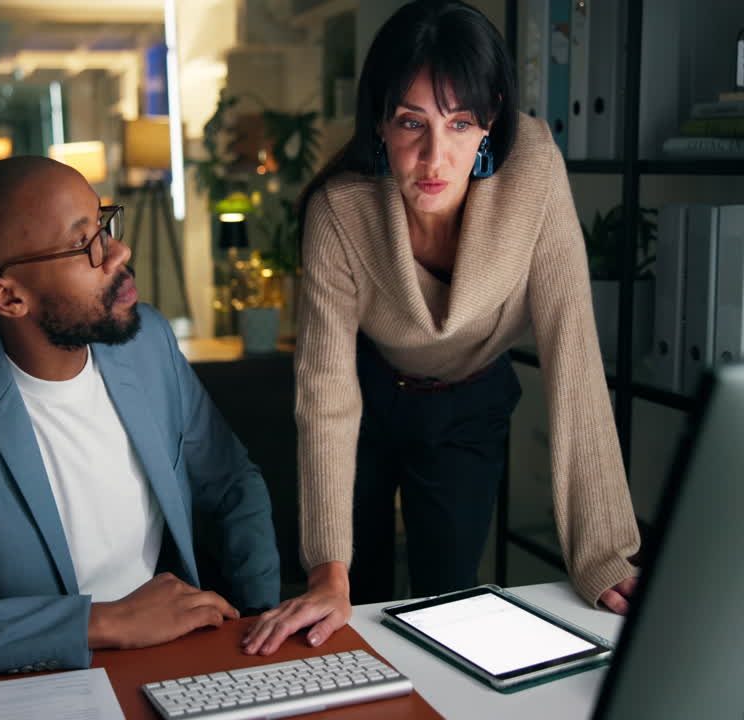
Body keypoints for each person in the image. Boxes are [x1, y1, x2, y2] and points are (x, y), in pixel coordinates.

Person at [243, 0, 640, 656]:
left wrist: (604, 554)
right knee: (349, 601)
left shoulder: (534, 171)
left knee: (449, 598)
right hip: (367, 398)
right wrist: (326, 572)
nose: (435, 156)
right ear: (379, 120)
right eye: (410, 123)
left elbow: (572, 348)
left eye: (460, 124)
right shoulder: (339, 210)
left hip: (468, 400)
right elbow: (327, 397)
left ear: (492, 120)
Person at [0, 156, 280, 676]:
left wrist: (260, 628)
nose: (119, 252)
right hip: (33, 684)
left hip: (171, 659)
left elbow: (230, 484)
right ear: (9, 296)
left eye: (104, 223)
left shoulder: (146, 342)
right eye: (84, 243)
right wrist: (103, 622)